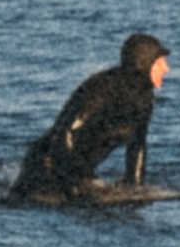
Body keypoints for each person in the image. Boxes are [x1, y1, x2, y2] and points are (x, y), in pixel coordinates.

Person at [9, 32, 171, 201]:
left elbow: (137, 143)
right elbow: (67, 134)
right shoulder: (103, 87)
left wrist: (135, 189)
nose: (167, 69)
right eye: (160, 63)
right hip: (46, 165)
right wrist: (75, 183)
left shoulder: (144, 99)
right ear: (143, 63)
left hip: (77, 172)